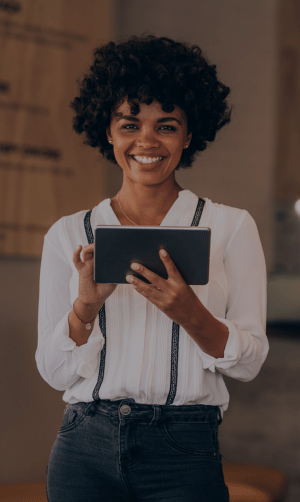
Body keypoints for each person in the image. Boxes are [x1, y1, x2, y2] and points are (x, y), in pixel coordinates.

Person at [36, 34, 269, 502]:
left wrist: (192, 314)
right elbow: (54, 371)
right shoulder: (68, 233)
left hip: (184, 448)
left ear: (188, 134)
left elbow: (250, 362)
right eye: (129, 124)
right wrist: (84, 307)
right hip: (85, 445)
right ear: (107, 130)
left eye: (166, 126)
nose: (146, 141)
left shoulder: (230, 228)